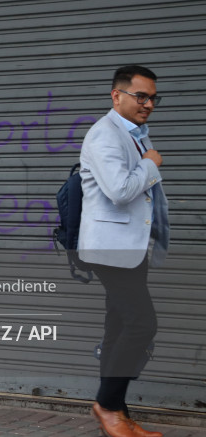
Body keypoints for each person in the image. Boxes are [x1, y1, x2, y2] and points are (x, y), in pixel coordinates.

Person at [78, 66, 169, 437]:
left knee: (118, 327)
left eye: (153, 98)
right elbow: (119, 190)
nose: (148, 104)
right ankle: (108, 406)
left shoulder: (130, 135)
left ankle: (117, 414)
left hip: (129, 247)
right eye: (140, 96)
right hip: (110, 249)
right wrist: (151, 163)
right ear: (117, 96)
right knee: (141, 324)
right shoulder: (105, 135)